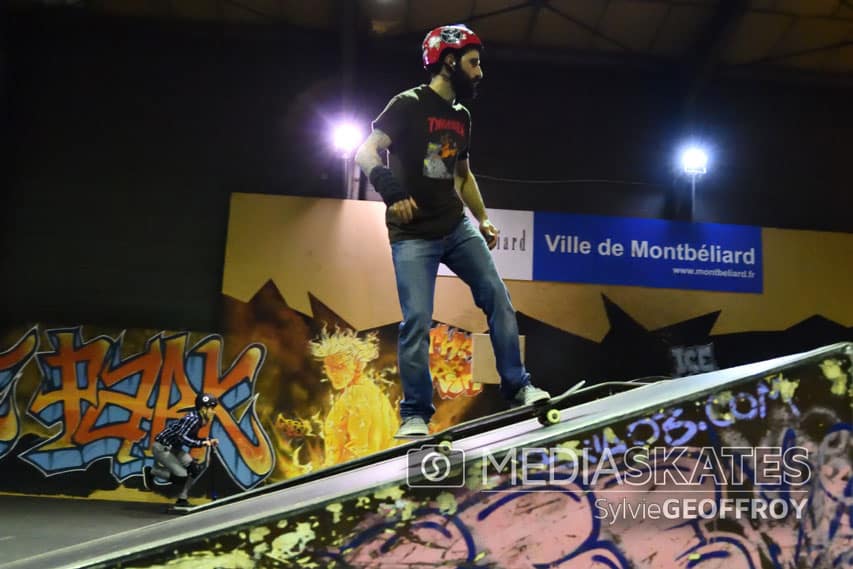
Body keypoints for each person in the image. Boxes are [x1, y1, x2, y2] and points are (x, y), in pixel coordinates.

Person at [354, 24, 550, 440]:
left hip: (456, 225)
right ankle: (415, 414)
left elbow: (461, 174)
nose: (479, 72)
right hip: (412, 234)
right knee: (417, 321)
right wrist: (391, 191)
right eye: (473, 63)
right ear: (448, 61)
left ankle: (518, 387)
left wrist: (484, 218)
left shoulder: (461, 117)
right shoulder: (408, 104)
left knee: (498, 297)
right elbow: (365, 151)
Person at [143, 392, 219, 507]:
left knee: (194, 469)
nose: (214, 411)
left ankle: (182, 498)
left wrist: (208, 440)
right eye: (212, 408)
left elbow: (190, 436)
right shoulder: (193, 419)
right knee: (181, 477)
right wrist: (202, 443)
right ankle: (153, 471)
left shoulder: (200, 419)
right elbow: (182, 437)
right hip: (162, 447)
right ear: (203, 408)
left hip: (174, 448)